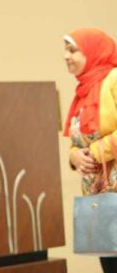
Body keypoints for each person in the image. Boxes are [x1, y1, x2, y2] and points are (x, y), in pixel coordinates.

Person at [64, 28, 117, 273]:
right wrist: (74, 156)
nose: (66, 56)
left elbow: (94, 144)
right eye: (65, 50)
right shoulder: (83, 90)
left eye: (73, 50)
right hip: (99, 199)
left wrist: (96, 151)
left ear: (93, 52)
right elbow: (79, 139)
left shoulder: (114, 80)